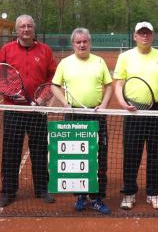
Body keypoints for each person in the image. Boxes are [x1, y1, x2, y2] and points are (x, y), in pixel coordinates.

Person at [0, 14, 57, 207]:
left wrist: (41, 99)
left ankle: (42, 189)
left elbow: (52, 79)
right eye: (22, 26)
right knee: (11, 151)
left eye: (29, 26)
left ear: (34, 29)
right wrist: (12, 94)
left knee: (39, 150)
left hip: (37, 111)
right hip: (14, 110)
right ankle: (8, 191)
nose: (26, 29)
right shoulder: (6, 50)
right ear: (16, 30)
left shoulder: (45, 51)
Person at [113, 21, 158, 210]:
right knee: (131, 154)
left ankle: (153, 193)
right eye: (141, 33)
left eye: (148, 33)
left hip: (157, 112)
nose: (145, 36)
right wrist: (123, 104)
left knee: (157, 155)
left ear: (153, 36)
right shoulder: (125, 57)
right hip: (134, 111)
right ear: (135, 36)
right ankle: (129, 194)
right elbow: (118, 84)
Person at [51, 27, 113, 215]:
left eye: (85, 41)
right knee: (76, 156)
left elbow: (109, 86)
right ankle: (80, 196)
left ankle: (96, 197)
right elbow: (55, 86)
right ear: (73, 44)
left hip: (96, 115)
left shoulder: (100, 62)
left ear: (90, 42)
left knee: (99, 157)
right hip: (73, 116)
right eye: (78, 42)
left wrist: (103, 105)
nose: (82, 44)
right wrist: (65, 104)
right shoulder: (65, 63)